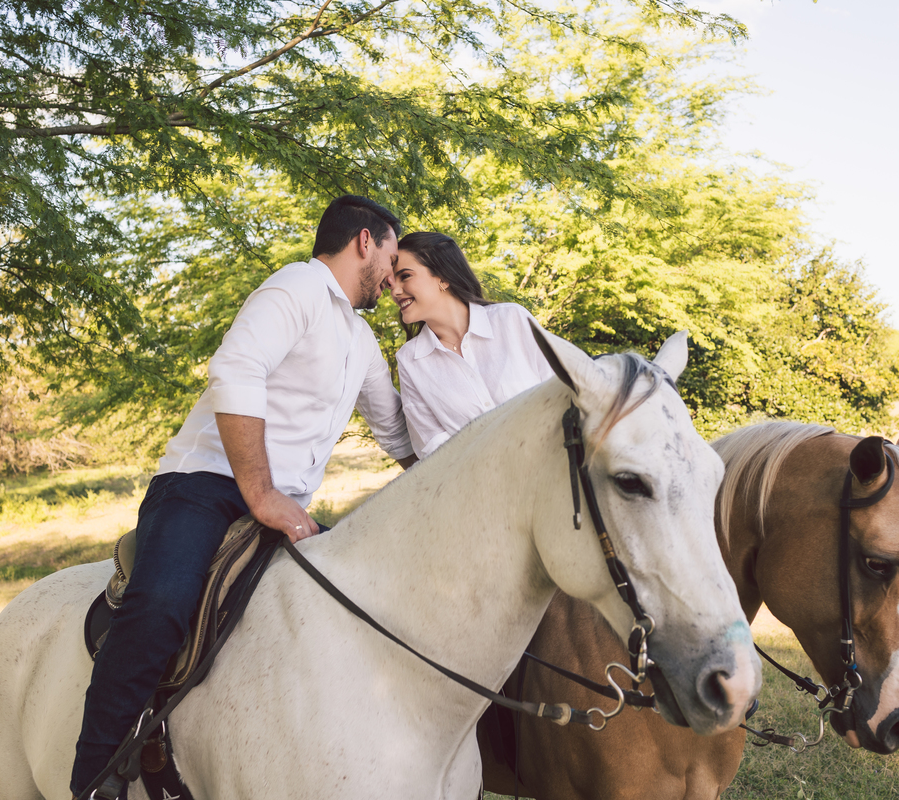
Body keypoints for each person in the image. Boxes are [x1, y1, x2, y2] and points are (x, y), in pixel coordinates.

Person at [71, 195, 417, 798]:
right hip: (202, 485)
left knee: (355, 608)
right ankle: (94, 779)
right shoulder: (296, 288)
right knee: (160, 608)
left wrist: (450, 473)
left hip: (282, 509)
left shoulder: (360, 340)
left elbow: (392, 430)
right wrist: (261, 494)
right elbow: (237, 370)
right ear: (367, 241)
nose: (393, 276)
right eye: (392, 255)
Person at [391, 232, 554, 459]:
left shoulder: (512, 320)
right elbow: (432, 447)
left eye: (405, 276)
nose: (395, 291)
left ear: (443, 278)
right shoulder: (410, 361)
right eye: (391, 282)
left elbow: (563, 393)